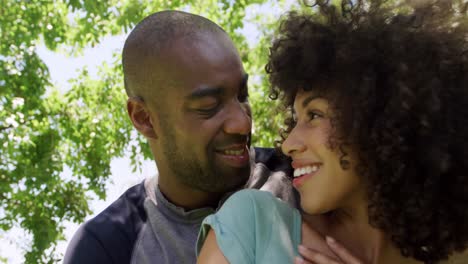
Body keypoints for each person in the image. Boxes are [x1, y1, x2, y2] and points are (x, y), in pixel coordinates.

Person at [197, 1, 468, 263]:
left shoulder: (456, 253)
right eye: (295, 118)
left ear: (380, 122)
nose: (288, 144)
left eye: (314, 114)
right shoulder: (253, 224)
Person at [63, 10, 297, 264]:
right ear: (144, 118)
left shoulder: (300, 175)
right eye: (208, 106)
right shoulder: (106, 247)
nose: (242, 123)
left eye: (242, 96)